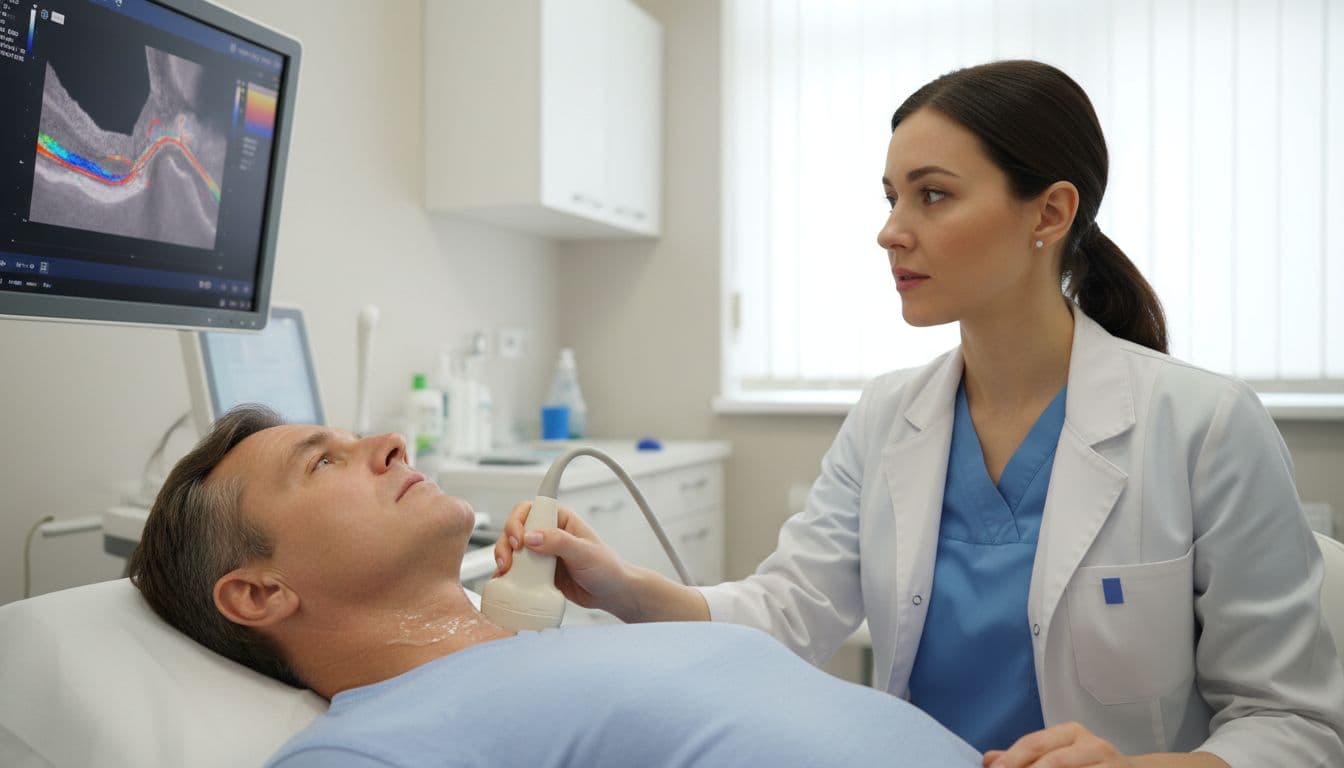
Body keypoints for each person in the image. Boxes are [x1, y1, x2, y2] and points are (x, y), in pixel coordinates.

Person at [494, 60, 1344, 767]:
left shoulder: (1206, 426)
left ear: (1049, 212)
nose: (891, 232)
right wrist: (623, 587)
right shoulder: (887, 413)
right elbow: (790, 613)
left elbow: (1297, 724)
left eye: (931, 196)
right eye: (891, 197)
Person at [127, 404, 982, 768]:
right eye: (325, 460)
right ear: (258, 593)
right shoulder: (369, 746)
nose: (389, 441)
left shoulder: (558, 650)